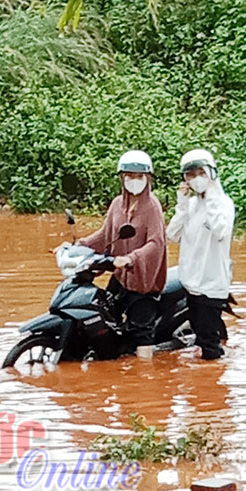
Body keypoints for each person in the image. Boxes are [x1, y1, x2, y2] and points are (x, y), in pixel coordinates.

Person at [77, 150, 167, 359]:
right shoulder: (117, 204)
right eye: (129, 176)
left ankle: (145, 379)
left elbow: (156, 242)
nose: (134, 181)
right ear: (122, 178)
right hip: (120, 275)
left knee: (141, 332)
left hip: (144, 280)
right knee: (107, 316)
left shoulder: (152, 207)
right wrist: (78, 246)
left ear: (147, 178)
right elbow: (106, 235)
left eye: (139, 177)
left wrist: (132, 258)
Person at [166, 148, 235, 361]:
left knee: (209, 344)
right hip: (191, 284)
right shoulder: (192, 205)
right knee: (201, 335)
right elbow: (172, 235)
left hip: (212, 285)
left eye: (201, 173)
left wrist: (213, 197)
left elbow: (220, 231)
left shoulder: (224, 204)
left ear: (212, 173)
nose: (197, 179)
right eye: (191, 175)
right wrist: (182, 204)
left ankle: (211, 390)